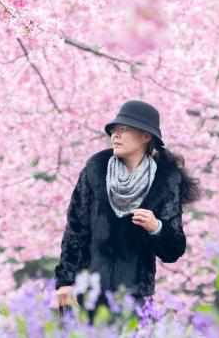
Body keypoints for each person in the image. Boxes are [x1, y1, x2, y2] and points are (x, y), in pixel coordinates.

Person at [53, 100, 201, 326]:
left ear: (145, 136)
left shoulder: (166, 181)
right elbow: (75, 230)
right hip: (87, 295)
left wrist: (156, 227)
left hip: (133, 298)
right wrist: (65, 281)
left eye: (124, 129)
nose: (116, 135)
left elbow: (174, 249)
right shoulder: (95, 170)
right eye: (114, 130)